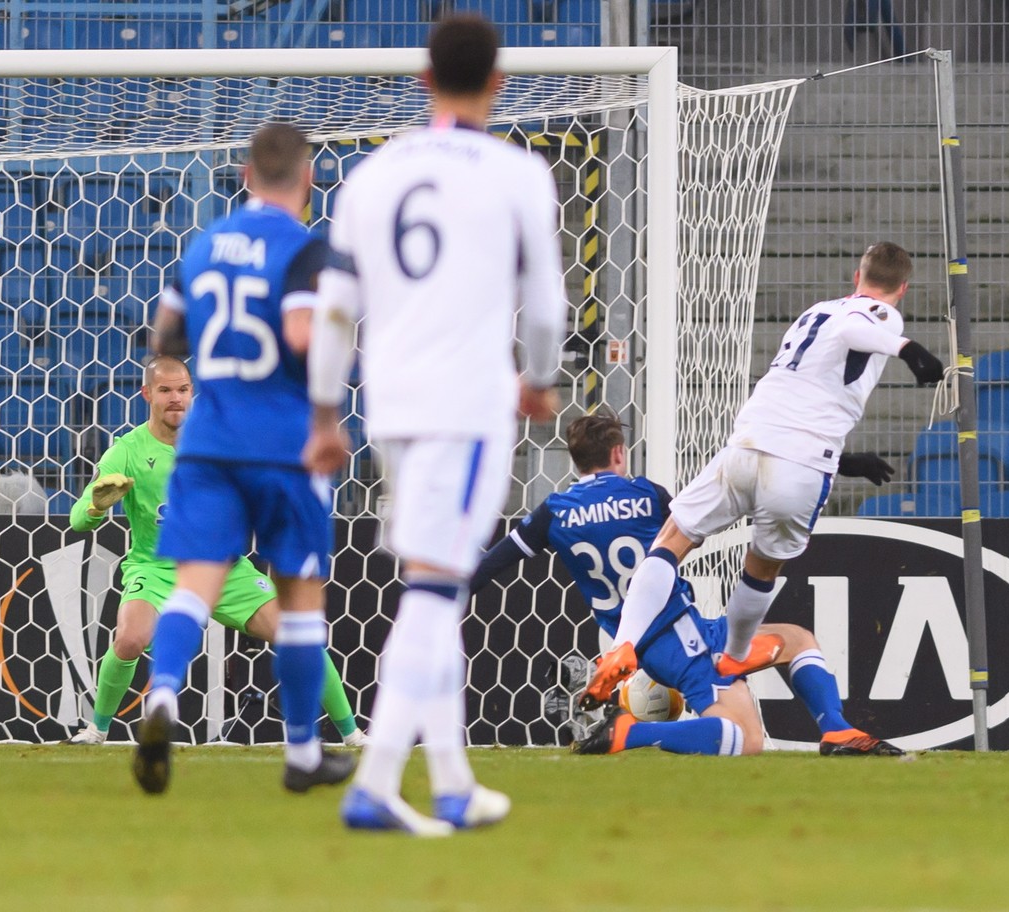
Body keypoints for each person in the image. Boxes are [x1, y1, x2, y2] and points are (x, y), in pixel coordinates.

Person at [305, 14, 566, 836]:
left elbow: (337, 308)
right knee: (432, 589)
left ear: (423, 80)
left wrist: (323, 409)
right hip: (467, 403)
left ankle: (452, 784)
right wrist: (538, 382)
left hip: (393, 404)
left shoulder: (372, 175)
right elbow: (549, 308)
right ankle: (377, 781)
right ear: (498, 82)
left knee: (436, 582)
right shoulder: (517, 172)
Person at [581, 242, 945, 706]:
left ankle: (623, 645)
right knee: (762, 565)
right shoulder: (880, 314)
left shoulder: (816, 313)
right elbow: (860, 329)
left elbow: (809, 388)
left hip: (747, 447)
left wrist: (849, 461)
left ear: (857, 274)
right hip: (799, 468)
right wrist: (909, 350)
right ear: (903, 288)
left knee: (672, 539)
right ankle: (733, 656)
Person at [470, 412, 903, 758]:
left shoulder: (554, 512)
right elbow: (684, 536)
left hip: (642, 640)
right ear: (619, 454)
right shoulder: (646, 494)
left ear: (576, 460)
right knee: (747, 740)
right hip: (679, 635)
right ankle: (632, 733)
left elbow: (494, 563)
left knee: (794, 639)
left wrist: (445, 596)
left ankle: (836, 731)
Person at [133, 122, 354, 795]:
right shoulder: (304, 249)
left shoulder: (202, 246)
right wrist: (324, 420)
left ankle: (163, 695)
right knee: (298, 594)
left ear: (245, 175)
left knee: (193, 584)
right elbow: (302, 333)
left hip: (209, 443)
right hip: (283, 444)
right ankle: (301, 753)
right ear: (308, 178)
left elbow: (165, 335)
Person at [66, 355, 365, 747]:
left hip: (224, 567)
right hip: (156, 570)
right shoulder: (127, 451)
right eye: (165, 390)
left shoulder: (215, 443)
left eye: (183, 390)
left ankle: (353, 735)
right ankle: (96, 731)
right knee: (130, 639)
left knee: (296, 633)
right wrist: (97, 505)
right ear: (146, 394)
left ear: (193, 392)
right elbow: (76, 521)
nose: (176, 399)